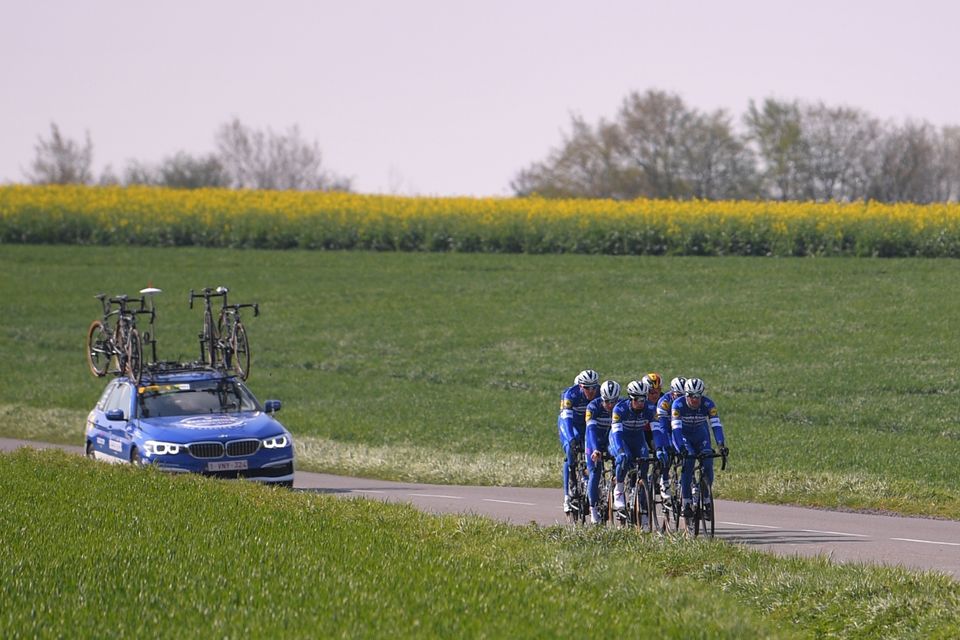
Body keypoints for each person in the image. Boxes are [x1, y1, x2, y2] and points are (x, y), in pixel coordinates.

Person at [670, 377, 729, 520]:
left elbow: (716, 425)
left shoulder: (708, 404)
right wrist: (681, 448)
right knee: (689, 461)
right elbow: (676, 429)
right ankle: (686, 502)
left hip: (700, 436)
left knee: (708, 461)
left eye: (698, 396)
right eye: (691, 396)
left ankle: (706, 499)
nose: (695, 399)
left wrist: (721, 444)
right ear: (686, 395)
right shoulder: (678, 405)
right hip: (684, 437)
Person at [609, 379, 663, 512]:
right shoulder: (620, 409)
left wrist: (659, 448)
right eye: (637, 400)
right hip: (621, 438)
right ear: (630, 398)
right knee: (624, 457)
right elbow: (617, 434)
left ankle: (641, 499)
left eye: (643, 399)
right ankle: (619, 489)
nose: (640, 403)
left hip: (638, 439)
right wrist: (620, 450)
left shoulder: (651, 408)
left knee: (645, 461)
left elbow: (657, 431)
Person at [558, 369, 600, 513]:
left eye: (594, 387)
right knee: (571, 448)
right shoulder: (571, 394)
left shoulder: (600, 393)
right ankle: (570, 483)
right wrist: (570, 439)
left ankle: (587, 478)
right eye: (588, 388)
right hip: (572, 425)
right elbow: (566, 420)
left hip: (588, 425)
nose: (592, 391)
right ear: (581, 386)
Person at [585, 380, 620, 524]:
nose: (610, 405)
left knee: (620, 457)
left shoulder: (621, 406)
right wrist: (595, 449)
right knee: (595, 471)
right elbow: (591, 430)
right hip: (594, 441)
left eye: (613, 401)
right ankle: (593, 510)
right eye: (607, 401)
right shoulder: (592, 407)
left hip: (609, 441)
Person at [654, 376, 686, 500]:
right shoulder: (664, 402)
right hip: (666, 429)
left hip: (680, 429)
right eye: (679, 395)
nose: (682, 399)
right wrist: (667, 445)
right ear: (672, 393)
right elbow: (662, 428)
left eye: (684, 395)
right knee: (668, 453)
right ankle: (664, 480)